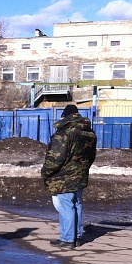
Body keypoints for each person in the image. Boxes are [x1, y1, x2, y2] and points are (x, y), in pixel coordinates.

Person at [41, 104, 97, 249]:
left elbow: (56, 158)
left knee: (66, 206)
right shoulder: (89, 133)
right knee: (76, 204)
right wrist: (82, 169)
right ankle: (77, 236)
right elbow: (91, 156)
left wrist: (46, 172)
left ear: (64, 117)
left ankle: (67, 239)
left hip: (64, 176)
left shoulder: (64, 133)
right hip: (80, 175)